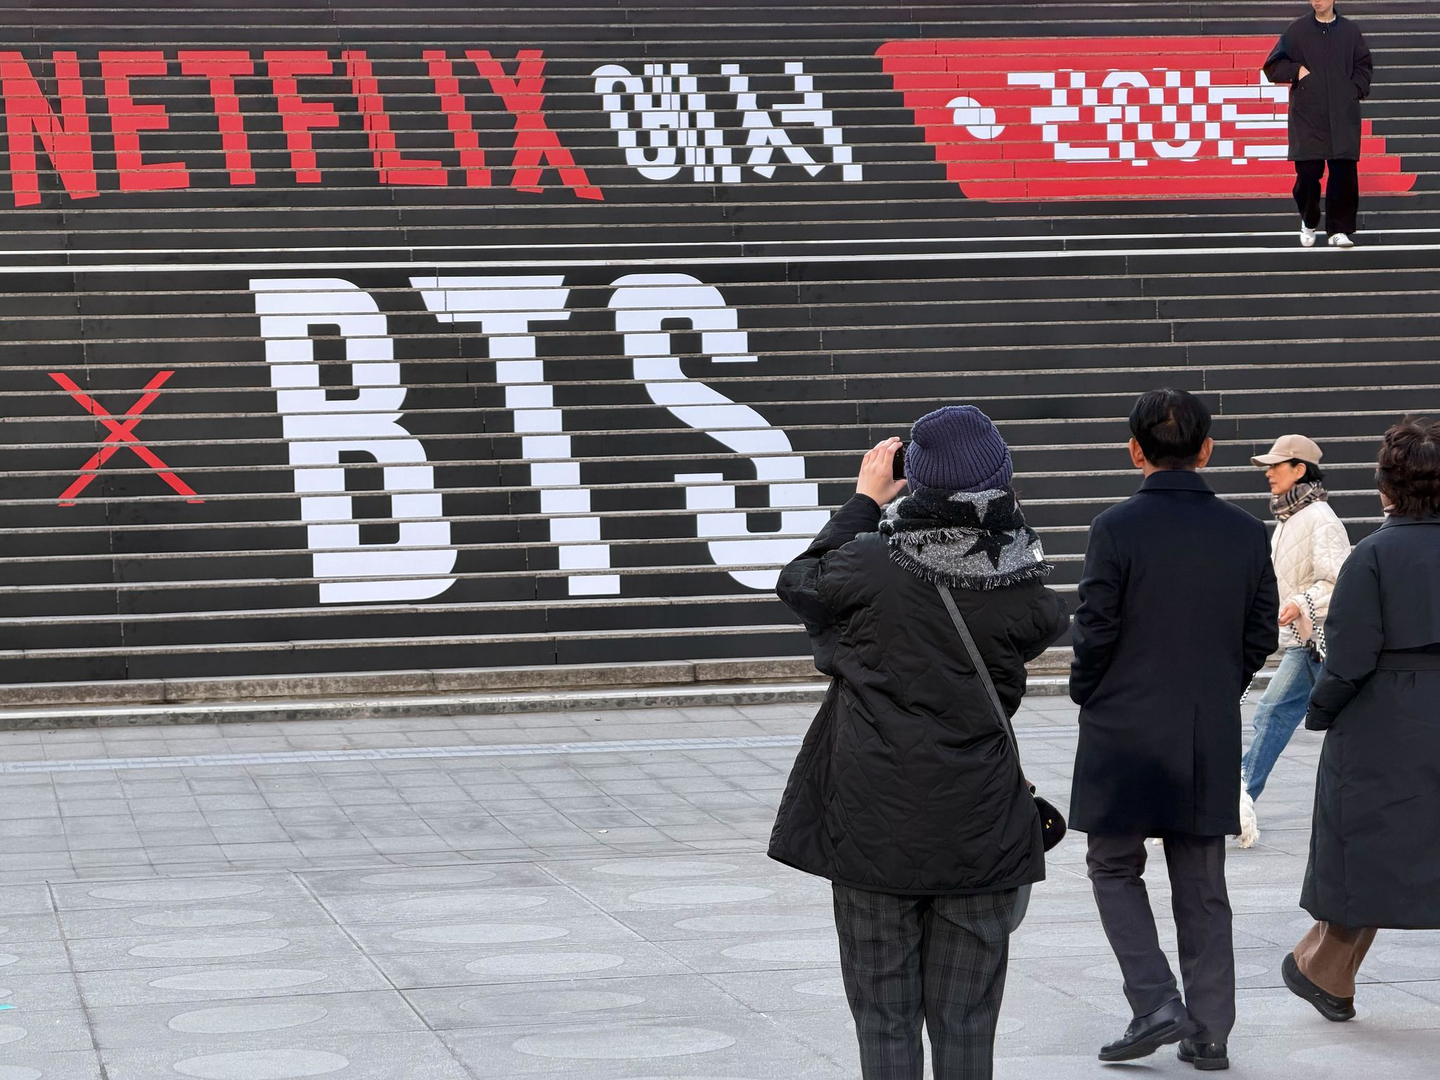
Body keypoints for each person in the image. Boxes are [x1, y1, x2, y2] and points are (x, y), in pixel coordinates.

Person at [769, 405, 1069, 1080]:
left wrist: (865, 501)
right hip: (979, 828)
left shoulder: (871, 564)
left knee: (883, 1019)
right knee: (967, 1026)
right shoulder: (1018, 576)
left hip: (872, 828)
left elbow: (799, 582)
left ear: (919, 483)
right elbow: (1044, 615)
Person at [1069, 389, 1279, 1072]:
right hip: (1203, 725)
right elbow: (1257, 634)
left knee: (1112, 864)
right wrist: (1219, 690)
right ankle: (1210, 1031)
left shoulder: (1114, 528)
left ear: (1134, 451)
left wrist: (1087, 691)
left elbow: (1094, 628)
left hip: (1122, 722)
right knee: (1201, 877)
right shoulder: (1248, 533)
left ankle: (1155, 998)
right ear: (1208, 449)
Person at [1283, 416, 1440, 1022]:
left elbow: (1348, 656)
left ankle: (1327, 972)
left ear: (1387, 489)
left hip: (1384, 717)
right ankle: (1321, 971)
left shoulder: (1373, 555)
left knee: (1363, 847)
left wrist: (1320, 711)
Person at [1238, 434, 1351, 847]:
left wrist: (1301, 602)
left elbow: (1340, 581)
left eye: (1277, 465)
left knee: (1274, 715)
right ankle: (1235, 802)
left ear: (1300, 470)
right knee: (1276, 715)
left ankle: (1233, 801)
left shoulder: (1319, 518)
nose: (1269, 472)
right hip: (1308, 642)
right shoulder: (1291, 516)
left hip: (1319, 641)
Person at [1263, 0, 1373, 248]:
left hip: (1342, 114)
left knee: (1344, 173)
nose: (1316, 0)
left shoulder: (1350, 31)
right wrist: (1298, 71)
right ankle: (1309, 219)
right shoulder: (1297, 31)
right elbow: (1273, 66)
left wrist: (1353, 89)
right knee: (1308, 175)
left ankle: (1339, 230)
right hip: (1308, 115)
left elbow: (1364, 66)